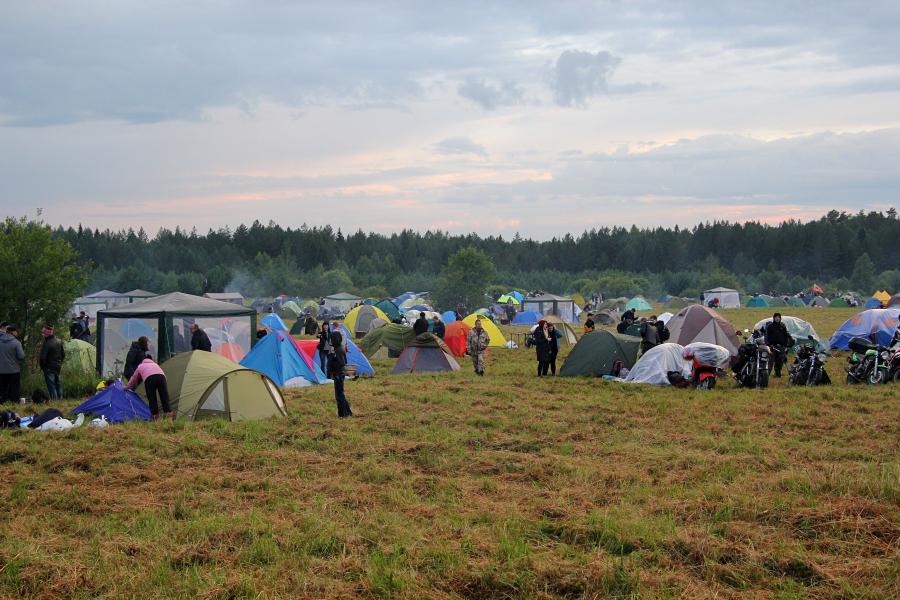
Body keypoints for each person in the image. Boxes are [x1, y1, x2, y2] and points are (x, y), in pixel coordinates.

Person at [328, 329, 352, 417]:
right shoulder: (339, 348)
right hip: (338, 374)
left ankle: (344, 414)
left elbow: (342, 363)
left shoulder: (339, 350)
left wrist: (333, 362)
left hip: (339, 375)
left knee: (339, 395)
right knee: (340, 394)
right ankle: (347, 412)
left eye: (332, 339)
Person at [39, 325, 65, 400]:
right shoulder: (59, 341)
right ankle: (60, 399)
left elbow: (42, 357)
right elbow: (63, 354)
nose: (42, 334)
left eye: (43, 332)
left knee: (51, 385)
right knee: (58, 384)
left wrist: (43, 367)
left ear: (47, 333)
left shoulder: (47, 343)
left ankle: (54, 400)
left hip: (49, 367)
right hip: (57, 366)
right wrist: (60, 363)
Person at [0, 325, 25, 403]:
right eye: (16, 331)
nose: (17, 333)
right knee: (14, 389)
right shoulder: (16, 343)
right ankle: (14, 403)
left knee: (2, 388)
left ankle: (2, 402)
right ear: (13, 332)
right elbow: (21, 356)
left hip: (1, 370)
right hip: (14, 370)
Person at [764, 313, 793, 377]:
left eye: (778, 317)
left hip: (781, 347)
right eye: (776, 317)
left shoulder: (782, 326)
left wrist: (785, 345)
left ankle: (778, 374)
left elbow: (785, 335)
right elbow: (766, 336)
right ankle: (766, 375)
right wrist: (768, 344)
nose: (777, 318)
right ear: (774, 318)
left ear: (780, 318)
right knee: (770, 361)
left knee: (780, 361)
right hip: (772, 347)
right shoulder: (770, 326)